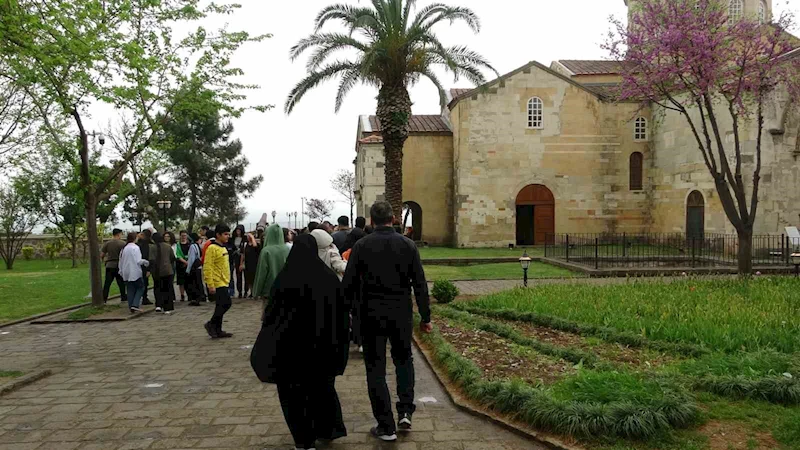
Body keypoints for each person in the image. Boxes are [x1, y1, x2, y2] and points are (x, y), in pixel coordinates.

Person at [342, 201, 432, 442]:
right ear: (393, 219)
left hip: (370, 312)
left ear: (372, 221)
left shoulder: (362, 245)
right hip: (400, 311)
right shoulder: (408, 245)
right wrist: (425, 316)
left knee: (376, 367)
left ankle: (385, 424)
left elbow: (348, 284)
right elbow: (420, 284)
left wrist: (347, 314)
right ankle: (404, 410)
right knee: (404, 360)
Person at [251, 234, 350, 450]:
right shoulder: (328, 280)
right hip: (322, 350)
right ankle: (327, 430)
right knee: (322, 391)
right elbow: (341, 317)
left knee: (293, 397)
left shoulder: (284, 280)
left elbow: (271, 317)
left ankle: (304, 440)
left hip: (290, 352)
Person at [253, 224, 291, 316]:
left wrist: (256, 292)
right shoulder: (287, 249)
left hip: (269, 290)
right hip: (285, 288)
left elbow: (261, 273)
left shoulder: (266, 251)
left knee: (268, 316)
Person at [204, 224, 233, 338]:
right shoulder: (212, 248)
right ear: (218, 235)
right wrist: (210, 284)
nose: (227, 237)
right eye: (225, 234)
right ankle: (211, 324)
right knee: (226, 303)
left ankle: (218, 329)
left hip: (224, 281)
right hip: (217, 282)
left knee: (220, 305)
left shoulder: (223, 247)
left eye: (228, 234)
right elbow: (208, 266)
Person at [119, 232, 149, 313]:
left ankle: (131, 306)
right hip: (135, 271)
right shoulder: (135, 248)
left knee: (130, 289)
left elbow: (120, 261)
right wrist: (146, 262)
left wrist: (121, 271)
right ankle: (135, 304)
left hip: (126, 272)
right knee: (141, 287)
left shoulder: (124, 248)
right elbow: (138, 260)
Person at [152, 232, 176, 314]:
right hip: (167, 270)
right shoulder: (168, 246)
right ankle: (167, 308)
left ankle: (158, 304)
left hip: (156, 271)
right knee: (167, 289)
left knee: (157, 288)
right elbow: (172, 257)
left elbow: (151, 259)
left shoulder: (152, 247)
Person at [100, 228, 127, 303]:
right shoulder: (123, 243)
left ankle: (104, 298)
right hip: (119, 265)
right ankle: (123, 296)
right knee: (121, 282)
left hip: (109, 265)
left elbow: (102, 254)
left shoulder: (107, 243)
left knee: (107, 283)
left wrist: (103, 260)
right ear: (118, 234)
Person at [185, 233, 205, 306]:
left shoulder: (192, 246)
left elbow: (191, 259)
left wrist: (188, 269)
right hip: (198, 267)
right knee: (198, 282)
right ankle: (200, 297)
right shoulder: (197, 245)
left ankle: (195, 299)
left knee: (193, 284)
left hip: (193, 268)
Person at [137, 229, 154, 305]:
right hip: (142, 265)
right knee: (143, 282)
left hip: (143, 265)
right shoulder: (141, 244)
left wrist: (148, 269)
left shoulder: (147, 245)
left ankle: (144, 297)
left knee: (144, 282)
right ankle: (144, 297)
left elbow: (149, 257)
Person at [242, 232, 260, 298]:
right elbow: (243, 254)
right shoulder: (246, 244)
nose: (248, 237)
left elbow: (255, 246)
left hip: (254, 264)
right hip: (247, 264)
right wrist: (242, 263)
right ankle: (252, 292)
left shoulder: (256, 244)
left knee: (254, 278)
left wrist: (252, 238)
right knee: (249, 279)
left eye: (249, 236)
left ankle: (255, 292)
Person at [175, 230, 191, 302]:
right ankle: (182, 295)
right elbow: (177, 255)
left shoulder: (190, 244)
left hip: (189, 264)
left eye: (185, 235)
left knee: (188, 280)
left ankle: (189, 294)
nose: (183, 237)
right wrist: (184, 262)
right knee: (181, 281)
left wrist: (188, 262)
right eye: (182, 235)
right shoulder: (177, 245)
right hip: (180, 265)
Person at [232, 225, 246, 298]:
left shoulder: (244, 239)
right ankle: (239, 291)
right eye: (237, 230)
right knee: (238, 275)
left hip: (243, 257)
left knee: (245, 276)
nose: (238, 232)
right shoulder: (233, 239)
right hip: (236, 258)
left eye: (239, 230)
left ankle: (246, 291)